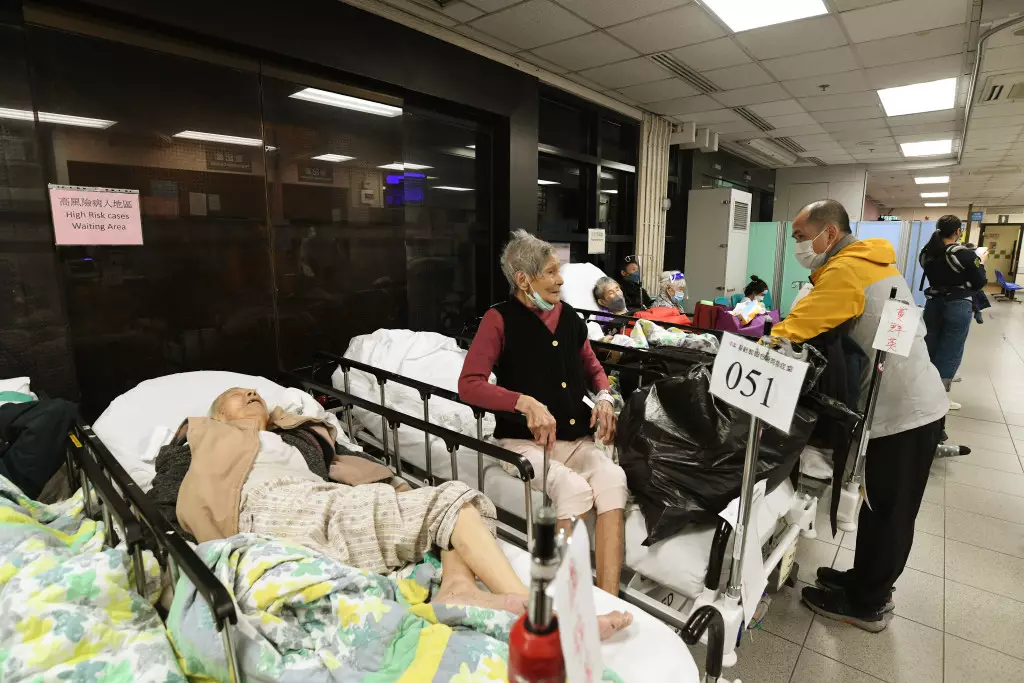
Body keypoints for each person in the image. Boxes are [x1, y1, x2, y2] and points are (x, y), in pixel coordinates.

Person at [149, 387, 633, 637]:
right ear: (216, 414)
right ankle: (544, 622)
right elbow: (167, 500)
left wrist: (397, 488)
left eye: (255, 391)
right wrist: (169, 559)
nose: (252, 394)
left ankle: (461, 590)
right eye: (237, 395)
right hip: (263, 510)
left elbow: (350, 464)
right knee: (445, 511)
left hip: (328, 505)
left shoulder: (298, 435)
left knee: (458, 498)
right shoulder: (198, 438)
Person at [771, 199, 947, 633]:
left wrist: (748, 354)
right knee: (881, 505)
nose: (798, 245)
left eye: (801, 236)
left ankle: (868, 602)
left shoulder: (846, 271)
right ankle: (865, 579)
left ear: (829, 233)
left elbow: (791, 331)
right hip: (911, 400)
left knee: (888, 511)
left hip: (901, 412)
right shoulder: (874, 261)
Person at [459, 230, 629, 595]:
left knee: (614, 480)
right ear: (523, 279)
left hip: (575, 439)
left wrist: (603, 396)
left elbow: (592, 367)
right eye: (551, 272)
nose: (560, 280)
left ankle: (610, 599)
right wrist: (523, 402)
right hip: (524, 442)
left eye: (559, 271)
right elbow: (469, 384)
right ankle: (561, 599)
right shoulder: (499, 320)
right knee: (574, 490)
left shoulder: (570, 318)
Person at [919, 216, 987, 410]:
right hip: (958, 304)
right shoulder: (964, 254)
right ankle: (939, 398)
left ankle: (923, 389)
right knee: (951, 349)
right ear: (958, 231)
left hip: (933, 303)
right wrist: (981, 262)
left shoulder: (928, 252)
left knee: (930, 345)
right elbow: (980, 281)